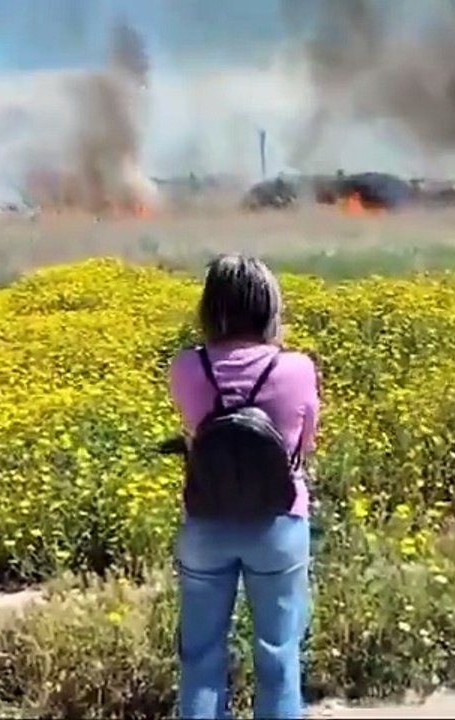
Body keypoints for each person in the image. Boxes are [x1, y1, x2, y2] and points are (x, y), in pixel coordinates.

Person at [169, 254, 320, 720]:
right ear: (268, 305)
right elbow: (306, 442)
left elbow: (193, 429)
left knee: (200, 655)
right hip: (277, 521)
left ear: (211, 305)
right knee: (278, 652)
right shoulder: (295, 368)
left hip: (207, 521)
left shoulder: (187, 367)